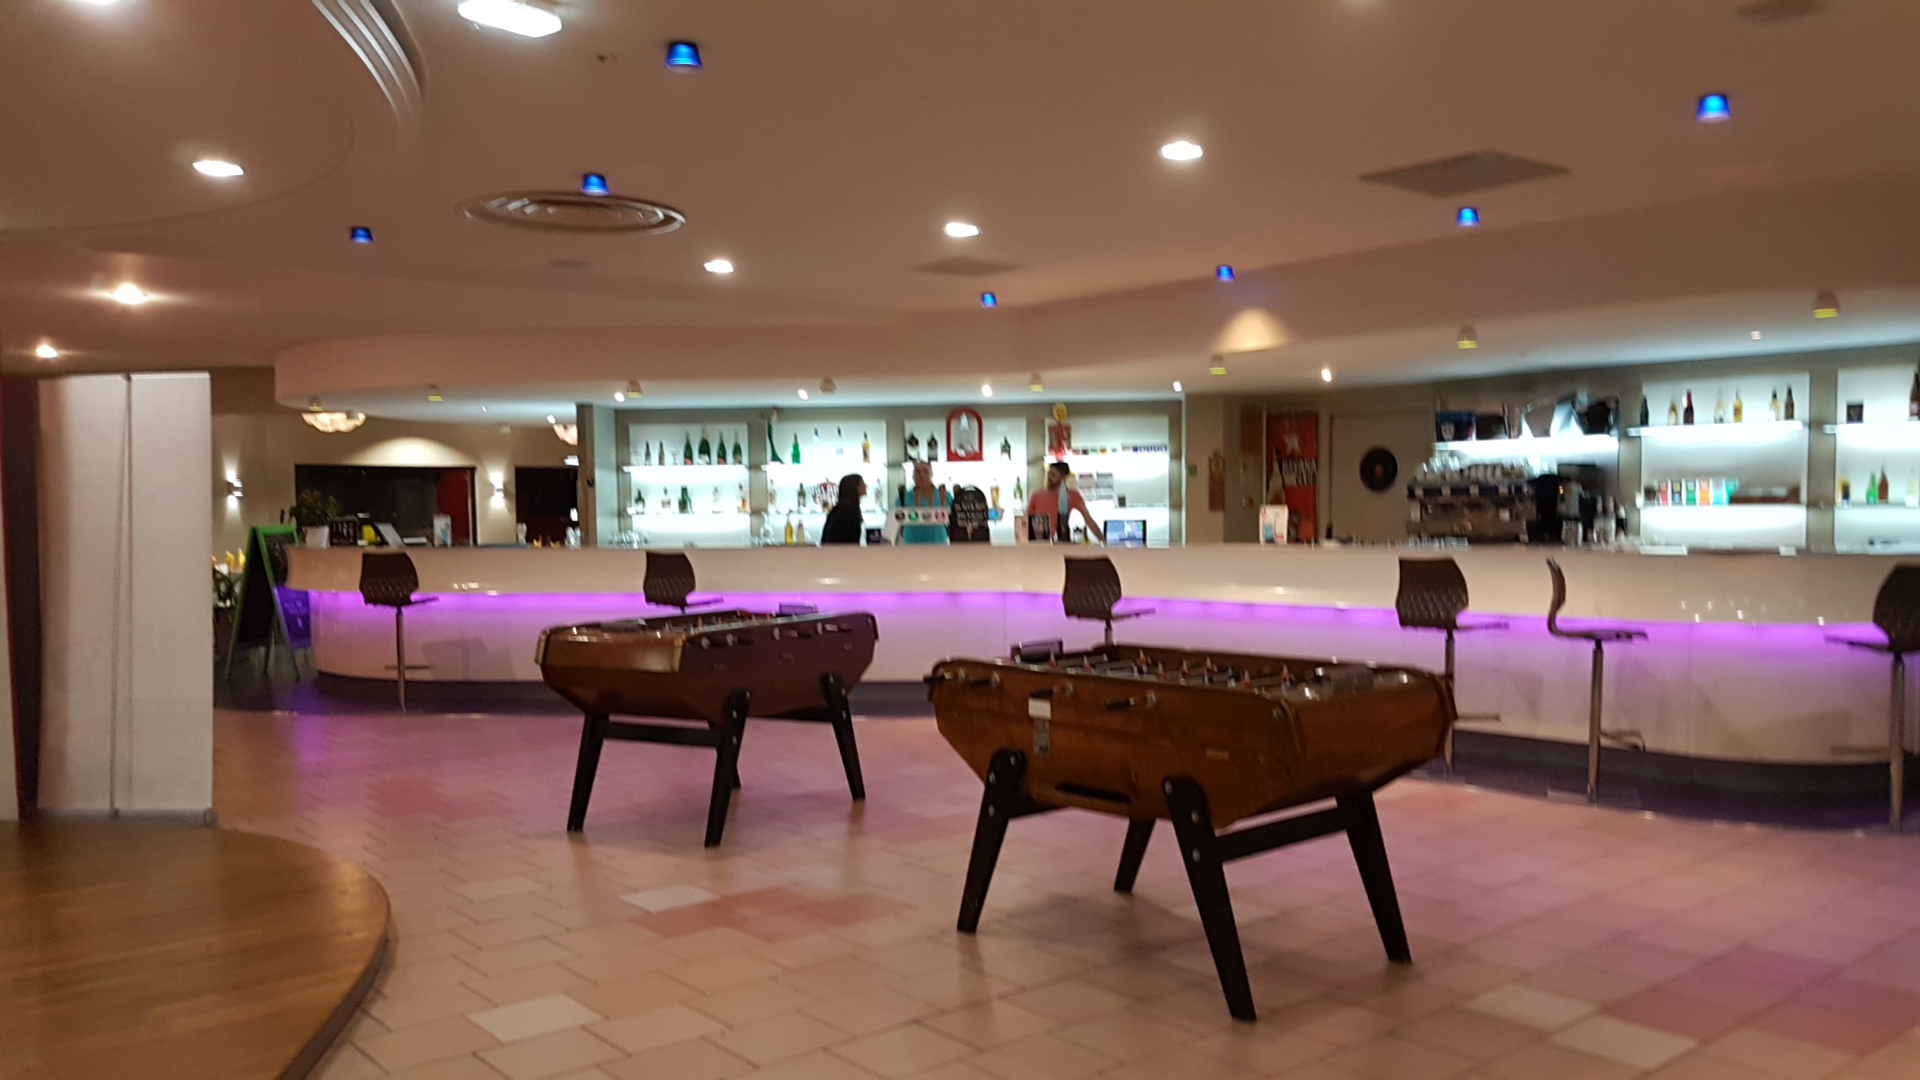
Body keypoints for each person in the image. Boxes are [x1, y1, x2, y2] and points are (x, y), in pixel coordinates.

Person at [1026, 461, 1101, 542]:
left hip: (1062, 540)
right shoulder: (1036, 495)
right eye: (1048, 474)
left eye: (1053, 475)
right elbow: (1025, 521)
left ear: (1063, 477)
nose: (1048, 478)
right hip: (1039, 541)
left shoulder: (1073, 495)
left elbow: (1088, 520)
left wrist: (1102, 540)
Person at [897, 461, 950, 545]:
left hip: (939, 543)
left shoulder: (945, 495)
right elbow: (897, 522)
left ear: (931, 474)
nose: (922, 475)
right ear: (913, 476)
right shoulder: (903, 497)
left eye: (925, 471)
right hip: (911, 544)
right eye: (918, 472)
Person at [820, 473, 867, 544]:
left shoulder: (843, 509)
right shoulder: (846, 511)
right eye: (862, 483)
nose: (866, 486)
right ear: (855, 487)